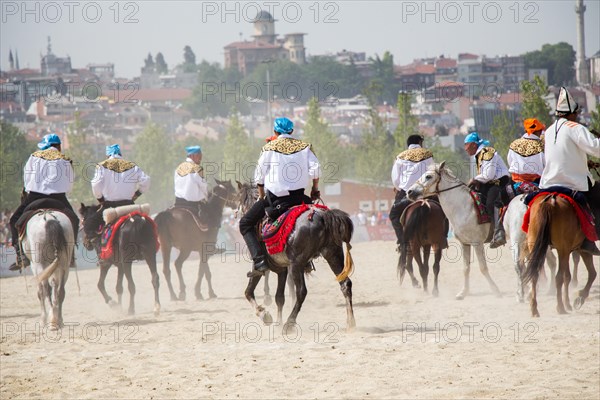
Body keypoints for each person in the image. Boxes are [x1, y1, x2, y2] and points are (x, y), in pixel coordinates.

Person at [239, 117, 320, 277]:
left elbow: (259, 176)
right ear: (291, 131)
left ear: (275, 132)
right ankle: (308, 259)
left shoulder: (269, 147)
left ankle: (260, 261)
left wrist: (262, 196)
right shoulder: (305, 146)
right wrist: (314, 190)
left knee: (245, 223)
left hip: (276, 200)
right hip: (301, 199)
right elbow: (316, 171)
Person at [539, 87, 600, 255]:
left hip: (549, 182)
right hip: (574, 182)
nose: (578, 116)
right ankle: (590, 241)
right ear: (572, 113)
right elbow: (595, 148)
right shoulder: (576, 127)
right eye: (577, 113)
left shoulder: (548, 131)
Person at [8, 133, 79, 270]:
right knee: (74, 220)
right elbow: (70, 184)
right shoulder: (65, 160)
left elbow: (27, 179)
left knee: (14, 221)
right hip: (59, 198)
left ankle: (20, 255)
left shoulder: (34, 157)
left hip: (35, 197)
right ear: (58, 146)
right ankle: (71, 255)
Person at [88, 144, 151, 235]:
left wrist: (100, 199)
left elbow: (95, 184)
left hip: (109, 206)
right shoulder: (132, 166)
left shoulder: (101, 166)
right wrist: (137, 194)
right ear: (120, 153)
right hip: (129, 205)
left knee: (89, 226)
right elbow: (146, 180)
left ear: (107, 155)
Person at [464, 132, 510, 249]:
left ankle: (498, 232)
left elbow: (489, 175)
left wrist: (474, 179)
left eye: (466, 145)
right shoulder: (479, 154)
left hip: (499, 182)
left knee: (490, 203)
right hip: (489, 183)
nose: (465, 149)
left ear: (474, 145)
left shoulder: (487, 152)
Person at [389, 134, 435, 251]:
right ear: (419, 142)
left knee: (394, 215)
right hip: (425, 192)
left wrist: (399, 187)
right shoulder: (427, 154)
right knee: (442, 210)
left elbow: (395, 179)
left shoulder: (400, 157)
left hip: (406, 193)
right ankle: (443, 237)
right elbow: (433, 172)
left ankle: (402, 242)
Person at [507, 118, 546, 192]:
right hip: (537, 183)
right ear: (539, 131)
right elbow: (547, 165)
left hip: (515, 183)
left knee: (501, 199)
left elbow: (510, 161)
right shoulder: (542, 146)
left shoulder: (514, 144)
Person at [173, 145, 209, 217]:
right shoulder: (197, 168)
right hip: (193, 204)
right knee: (209, 219)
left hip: (178, 202)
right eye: (199, 156)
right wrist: (206, 197)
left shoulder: (178, 168)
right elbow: (203, 186)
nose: (200, 158)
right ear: (192, 156)